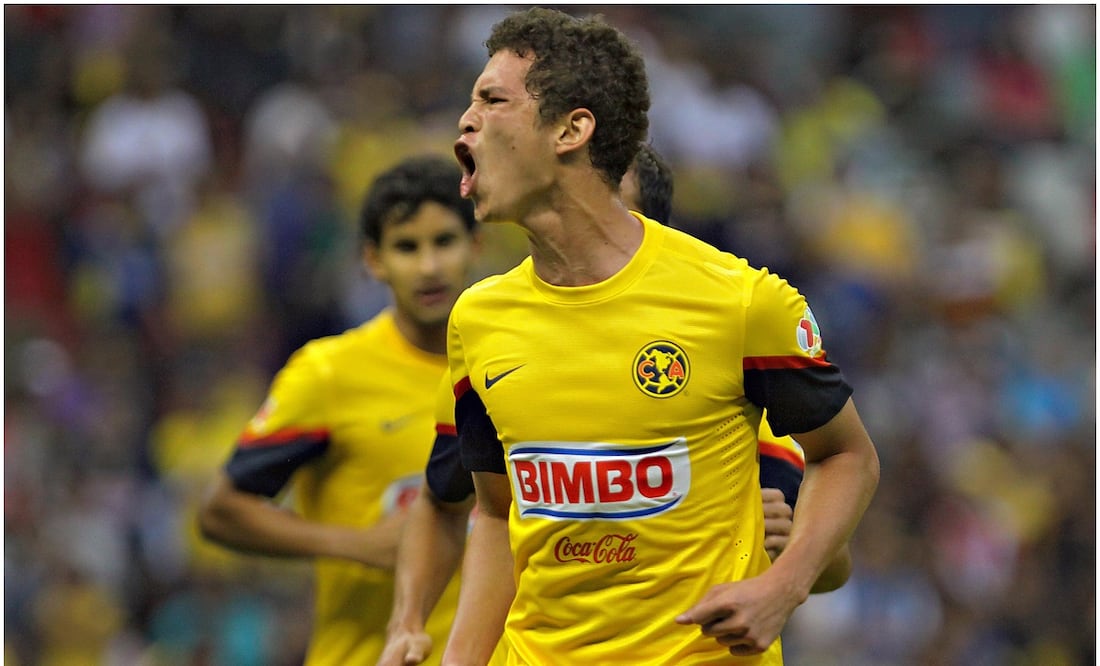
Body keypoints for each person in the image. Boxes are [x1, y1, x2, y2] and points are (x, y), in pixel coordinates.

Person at [439, 7, 879, 665]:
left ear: (571, 129)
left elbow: (846, 457)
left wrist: (781, 588)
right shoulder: (478, 321)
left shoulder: (738, 301)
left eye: (492, 100)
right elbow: (495, 518)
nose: (465, 121)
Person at [379, 143, 850, 666]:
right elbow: (454, 503)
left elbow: (835, 551)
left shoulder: (735, 401)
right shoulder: (487, 340)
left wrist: (783, 556)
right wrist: (409, 624)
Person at [197, 155, 480, 666]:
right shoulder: (329, 374)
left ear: (474, 245)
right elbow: (221, 511)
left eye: (444, 241)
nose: (429, 266)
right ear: (374, 261)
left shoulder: (502, 365)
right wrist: (360, 545)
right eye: (406, 247)